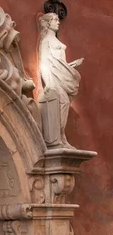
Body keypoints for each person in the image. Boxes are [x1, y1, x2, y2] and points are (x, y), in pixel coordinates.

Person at [38, 12, 83, 147]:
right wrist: (48, 83)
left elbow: (60, 64)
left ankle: (61, 138)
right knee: (62, 102)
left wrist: (73, 65)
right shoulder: (46, 41)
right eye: (55, 20)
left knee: (64, 104)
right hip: (54, 79)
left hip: (61, 76)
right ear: (48, 23)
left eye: (58, 19)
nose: (58, 22)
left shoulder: (54, 41)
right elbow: (44, 62)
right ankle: (59, 137)